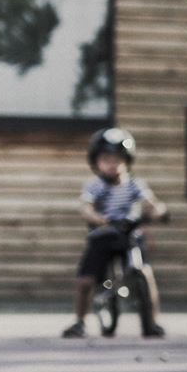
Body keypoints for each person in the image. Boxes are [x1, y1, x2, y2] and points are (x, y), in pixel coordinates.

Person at [64, 127, 168, 338]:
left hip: (129, 236)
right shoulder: (96, 186)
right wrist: (97, 218)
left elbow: (151, 203)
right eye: (106, 159)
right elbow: (85, 206)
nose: (112, 163)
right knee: (86, 280)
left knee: (145, 273)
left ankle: (152, 322)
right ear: (96, 161)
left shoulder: (134, 185)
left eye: (117, 159)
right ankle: (79, 321)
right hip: (102, 236)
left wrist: (159, 211)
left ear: (127, 160)